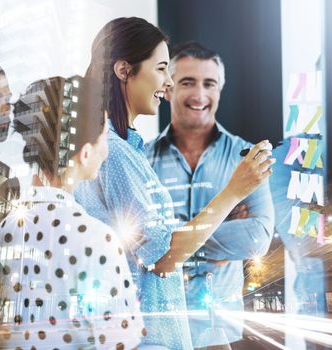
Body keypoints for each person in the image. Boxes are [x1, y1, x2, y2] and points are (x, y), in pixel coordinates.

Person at [74, 18, 275, 350]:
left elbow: (256, 237)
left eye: (209, 83)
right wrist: (233, 193)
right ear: (124, 70)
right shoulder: (116, 154)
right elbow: (165, 255)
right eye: (163, 69)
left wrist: (188, 236)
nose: (167, 82)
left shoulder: (124, 150)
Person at [0, 72, 144, 349]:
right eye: (105, 138)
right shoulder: (97, 239)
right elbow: (121, 342)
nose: (106, 151)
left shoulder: (2, 233)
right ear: (84, 153)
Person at [146, 41, 274, 349]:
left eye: (209, 84)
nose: (199, 95)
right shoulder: (144, 158)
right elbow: (140, 242)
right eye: (188, 82)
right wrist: (219, 223)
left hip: (217, 331)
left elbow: (258, 236)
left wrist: (175, 243)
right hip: (158, 328)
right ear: (168, 88)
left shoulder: (246, 156)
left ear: (219, 90)